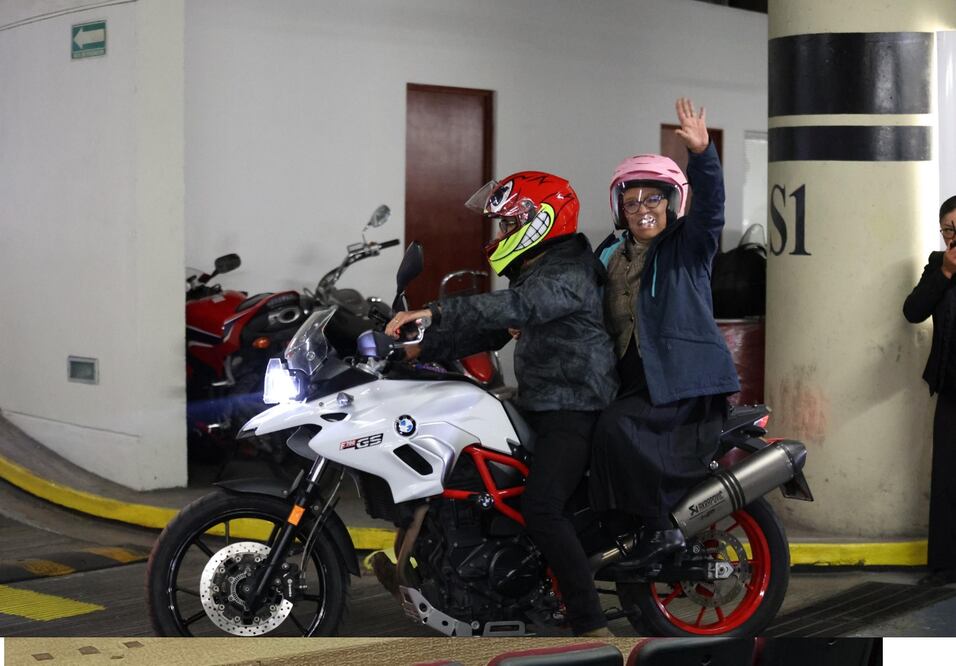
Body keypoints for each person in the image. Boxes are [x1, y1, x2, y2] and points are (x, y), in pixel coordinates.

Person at [380, 171, 619, 636]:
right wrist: (417, 348)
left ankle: (590, 623)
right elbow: (491, 329)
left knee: (542, 508)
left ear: (540, 221)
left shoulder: (569, 271)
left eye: (508, 226)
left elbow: (516, 308)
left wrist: (435, 311)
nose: (501, 237)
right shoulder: (541, 268)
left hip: (574, 407)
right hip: (541, 402)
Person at [589, 97, 740, 567]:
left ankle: (664, 530)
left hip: (682, 377)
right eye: (631, 202)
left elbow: (711, 205)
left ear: (673, 201)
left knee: (618, 427)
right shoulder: (610, 252)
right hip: (632, 375)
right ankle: (616, 530)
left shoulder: (688, 246)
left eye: (653, 198)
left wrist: (702, 154)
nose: (642, 209)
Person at [903, 196, 956, 586]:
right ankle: (943, 566)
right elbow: (913, 310)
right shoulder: (937, 265)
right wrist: (947, 273)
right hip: (951, 384)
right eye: (949, 229)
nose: (954, 236)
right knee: (947, 477)